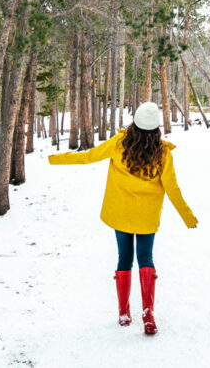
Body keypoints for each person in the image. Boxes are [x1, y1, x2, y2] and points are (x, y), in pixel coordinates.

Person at [48, 101, 198, 335]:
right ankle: (148, 311)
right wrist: (187, 217)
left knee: (124, 258)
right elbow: (172, 188)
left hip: (121, 214)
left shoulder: (119, 144)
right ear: (156, 128)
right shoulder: (163, 153)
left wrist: (54, 159)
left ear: (134, 123)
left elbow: (87, 157)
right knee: (146, 257)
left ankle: (124, 312)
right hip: (146, 217)